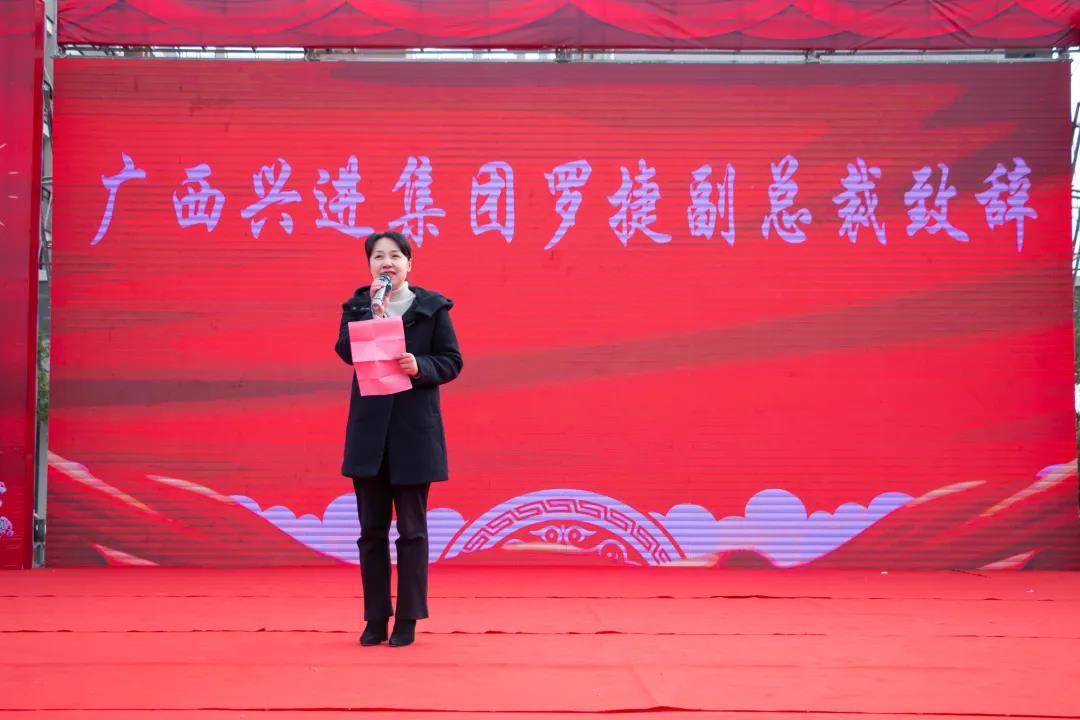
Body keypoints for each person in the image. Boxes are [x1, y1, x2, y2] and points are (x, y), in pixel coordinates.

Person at [334, 230, 463, 647]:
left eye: (395, 256)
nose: (386, 262)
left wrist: (420, 365)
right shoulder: (358, 307)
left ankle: (407, 618)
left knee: (411, 531)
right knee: (371, 532)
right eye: (378, 257)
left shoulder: (432, 308)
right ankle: (375, 618)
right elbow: (344, 351)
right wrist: (372, 315)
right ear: (369, 265)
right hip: (370, 436)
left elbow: (452, 360)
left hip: (413, 435)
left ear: (410, 263)